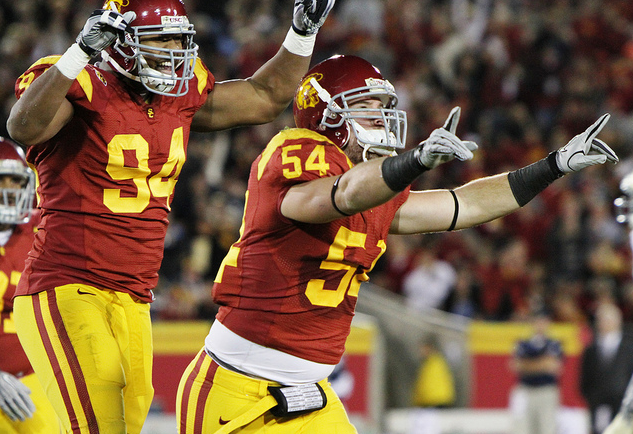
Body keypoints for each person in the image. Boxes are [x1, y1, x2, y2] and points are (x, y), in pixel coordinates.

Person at [175, 54, 618, 433]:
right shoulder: (298, 154)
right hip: (236, 389)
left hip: (310, 395)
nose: (381, 119)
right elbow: (342, 195)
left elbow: (464, 204)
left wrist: (552, 165)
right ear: (325, 115)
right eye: (365, 108)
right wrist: (417, 161)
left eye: (383, 107)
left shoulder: (378, 190)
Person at [5, 0, 336, 432]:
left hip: (135, 295)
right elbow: (23, 128)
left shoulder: (178, 96)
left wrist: (301, 32)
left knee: (126, 422)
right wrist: (78, 53)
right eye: (161, 38)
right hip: (67, 285)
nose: (174, 50)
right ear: (118, 42)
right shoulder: (78, 79)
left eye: (180, 38)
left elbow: (264, 96)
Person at [0, 137, 60, 433]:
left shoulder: (42, 230)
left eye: (15, 181)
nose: (10, 190)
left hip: (33, 376)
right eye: (2, 180)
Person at [580, 302, 633, 434]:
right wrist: (592, 398)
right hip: (598, 403)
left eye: (608, 319)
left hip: (624, 405)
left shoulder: (629, 347)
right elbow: (585, 378)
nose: (604, 323)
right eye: (601, 320)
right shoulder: (591, 349)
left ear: (618, 321)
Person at [509, 310, 563, 434]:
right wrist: (542, 364)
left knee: (547, 428)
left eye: (543, 321)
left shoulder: (554, 343)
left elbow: (554, 366)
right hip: (526, 391)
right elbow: (516, 365)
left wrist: (527, 364)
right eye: (537, 321)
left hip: (546, 391)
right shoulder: (523, 343)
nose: (540, 324)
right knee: (522, 428)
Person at [411, 335, 456, 408]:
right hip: (431, 401)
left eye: (423, 348)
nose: (421, 351)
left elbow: (428, 385)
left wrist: (420, 401)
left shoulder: (435, 363)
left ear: (429, 348)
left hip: (436, 402)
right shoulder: (427, 363)